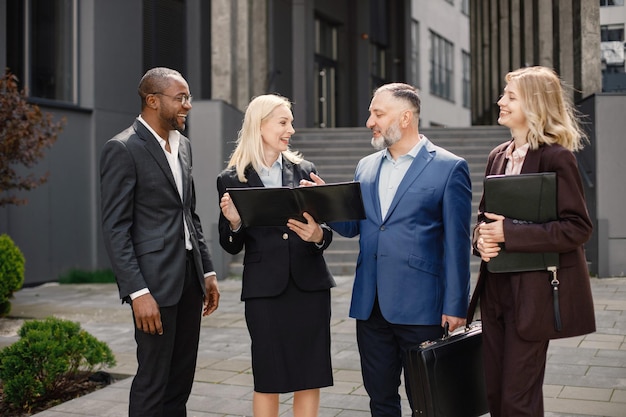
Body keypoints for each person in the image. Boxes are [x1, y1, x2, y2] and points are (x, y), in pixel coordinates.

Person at [312, 82, 472, 417]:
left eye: (377, 113)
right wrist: (325, 202)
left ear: (405, 117)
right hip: (370, 307)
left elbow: (458, 246)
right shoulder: (365, 166)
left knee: (427, 401)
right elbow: (356, 225)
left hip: (423, 307)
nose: (369, 121)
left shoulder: (449, 167)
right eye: (371, 113)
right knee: (380, 398)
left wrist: (456, 307)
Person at [472, 66, 596, 417]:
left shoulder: (557, 157)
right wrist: (481, 239)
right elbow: (485, 218)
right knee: (495, 396)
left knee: (516, 401)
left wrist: (509, 232)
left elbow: (577, 227)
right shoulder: (498, 155)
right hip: (495, 292)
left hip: (534, 295)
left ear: (535, 105)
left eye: (510, 97)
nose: (500, 101)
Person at [100, 67, 220, 417]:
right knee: (153, 381)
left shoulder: (184, 147)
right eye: (180, 97)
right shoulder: (122, 148)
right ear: (153, 101)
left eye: (189, 97)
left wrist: (208, 271)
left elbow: (189, 215)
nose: (188, 105)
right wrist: (138, 293)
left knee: (180, 381)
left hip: (189, 280)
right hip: (153, 286)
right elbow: (116, 228)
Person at [216, 94, 335, 417]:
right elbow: (229, 245)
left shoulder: (305, 170)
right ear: (261, 125)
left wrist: (319, 235)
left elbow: (324, 233)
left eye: (291, 123)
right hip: (264, 292)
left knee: (310, 376)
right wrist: (235, 223)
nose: (291, 130)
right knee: (267, 377)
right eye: (284, 122)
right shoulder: (231, 180)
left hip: (310, 288)